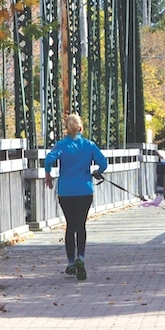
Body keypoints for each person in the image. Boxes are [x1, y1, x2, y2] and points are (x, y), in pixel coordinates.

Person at [44, 113, 108, 281]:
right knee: (81, 225)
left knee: (70, 225)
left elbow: (49, 159)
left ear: (67, 128)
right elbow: (104, 163)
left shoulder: (61, 145)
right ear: (81, 128)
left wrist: (48, 175)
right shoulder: (89, 145)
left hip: (66, 191)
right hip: (85, 191)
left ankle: (71, 262)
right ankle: (81, 258)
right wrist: (97, 171)